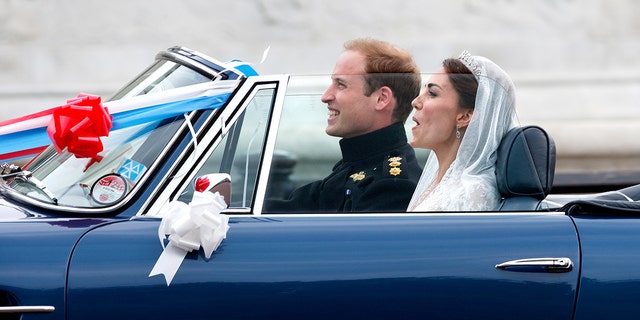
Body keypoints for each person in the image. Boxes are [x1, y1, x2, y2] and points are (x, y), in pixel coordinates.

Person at [264, 38, 423, 212]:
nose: (325, 96)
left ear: (382, 98)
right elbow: (290, 209)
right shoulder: (357, 164)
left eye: (341, 85)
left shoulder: (392, 186)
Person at [407, 51, 519, 212]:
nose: (415, 102)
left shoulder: (471, 193)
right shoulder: (441, 182)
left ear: (465, 116)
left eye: (432, 93)